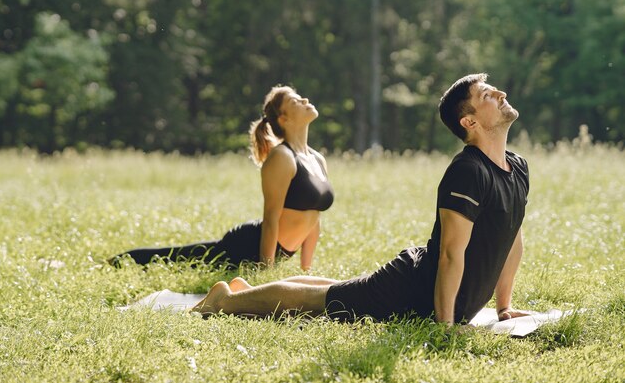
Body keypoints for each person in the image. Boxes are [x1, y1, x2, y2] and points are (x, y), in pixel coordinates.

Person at [192, 73, 531, 325]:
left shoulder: (516, 166)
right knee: (322, 300)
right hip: (412, 289)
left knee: (339, 289)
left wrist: (504, 307)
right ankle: (225, 301)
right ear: (469, 121)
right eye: (488, 94)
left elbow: (510, 236)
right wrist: (444, 327)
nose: (500, 93)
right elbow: (449, 254)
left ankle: (245, 291)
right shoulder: (469, 171)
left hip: (426, 286)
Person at [109, 85, 334, 271]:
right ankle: (121, 262)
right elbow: (271, 216)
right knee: (179, 259)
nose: (305, 99)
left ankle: (122, 261)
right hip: (246, 246)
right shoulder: (282, 157)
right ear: (283, 119)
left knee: (186, 258)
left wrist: (307, 272)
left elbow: (314, 219)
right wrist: (266, 272)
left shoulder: (317, 159)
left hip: (278, 250)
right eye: (296, 102)